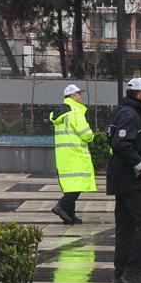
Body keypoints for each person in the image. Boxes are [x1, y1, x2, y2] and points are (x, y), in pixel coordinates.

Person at [107, 77, 141, 283]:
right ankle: (132, 271)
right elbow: (121, 143)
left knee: (126, 227)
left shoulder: (127, 111)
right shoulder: (131, 114)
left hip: (123, 178)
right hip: (131, 179)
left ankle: (121, 275)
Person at [49, 84, 95, 225]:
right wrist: (92, 136)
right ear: (73, 96)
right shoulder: (75, 111)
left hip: (64, 155)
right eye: (79, 94)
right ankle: (61, 206)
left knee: (70, 184)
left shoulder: (61, 111)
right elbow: (86, 134)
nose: (81, 97)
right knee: (78, 183)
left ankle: (69, 215)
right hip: (76, 153)